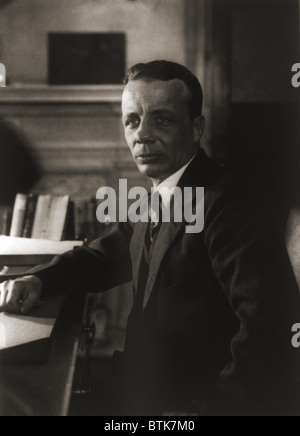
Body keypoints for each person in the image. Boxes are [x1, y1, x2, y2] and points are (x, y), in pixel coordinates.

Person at [0, 61, 299, 416]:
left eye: (162, 119)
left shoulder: (228, 203)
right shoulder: (160, 193)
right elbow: (103, 257)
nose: (142, 135)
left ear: (196, 128)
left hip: (194, 402)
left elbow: (271, 324)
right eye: (132, 121)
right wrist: (38, 279)